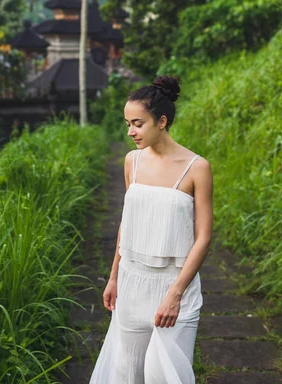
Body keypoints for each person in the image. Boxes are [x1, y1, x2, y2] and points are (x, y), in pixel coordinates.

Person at [89, 75, 213, 384]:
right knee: (127, 371)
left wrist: (175, 294)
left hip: (174, 284)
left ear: (161, 121)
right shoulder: (132, 161)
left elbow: (204, 237)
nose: (130, 131)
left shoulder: (197, 167)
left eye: (137, 123)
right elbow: (127, 223)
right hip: (132, 283)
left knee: (167, 375)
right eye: (127, 123)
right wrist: (114, 277)